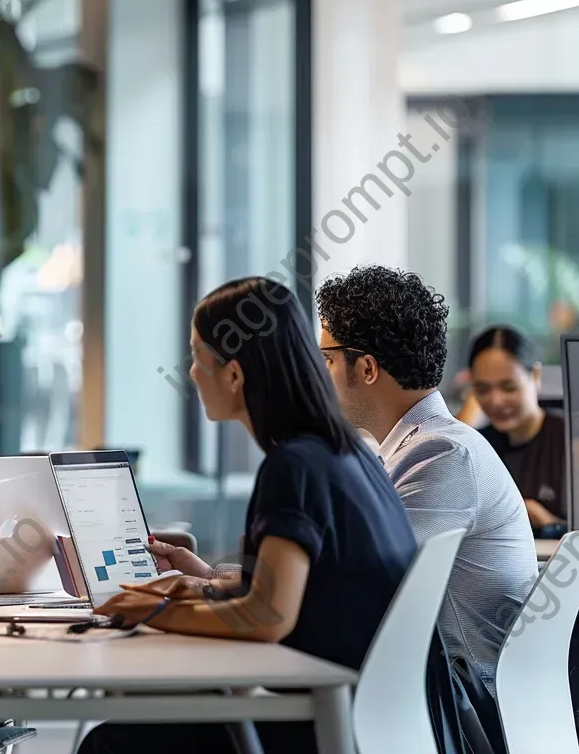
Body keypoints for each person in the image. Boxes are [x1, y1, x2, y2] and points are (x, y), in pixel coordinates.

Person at [80, 277, 418, 754]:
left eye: (197, 357)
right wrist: (207, 585)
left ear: (234, 375)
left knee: (110, 744)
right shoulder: (345, 455)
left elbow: (269, 616)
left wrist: (154, 610)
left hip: (325, 725)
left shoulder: (294, 467)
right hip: (374, 719)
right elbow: (297, 592)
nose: (192, 373)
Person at [316, 265, 537, 695]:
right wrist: (221, 579)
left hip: (457, 706)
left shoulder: (443, 454)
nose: (319, 376)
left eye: (326, 359)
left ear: (366, 368)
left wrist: (220, 586)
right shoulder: (409, 448)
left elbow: (361, 582)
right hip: (428, 689)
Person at [470, 325, 567, 533]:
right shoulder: (479, 446)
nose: (496, 401)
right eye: (482, 389)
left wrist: (550, 524)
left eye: (509, 387)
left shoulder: (569, 439)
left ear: (536, 376)